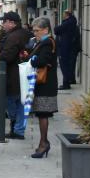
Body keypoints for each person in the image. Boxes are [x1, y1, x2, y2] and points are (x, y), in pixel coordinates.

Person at [0, 11, 32, 140]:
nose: (2, 24)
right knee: (19, 102)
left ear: (11, 23)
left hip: (12, 75)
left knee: (12, 101)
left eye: (4, 21)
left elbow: (6, 56)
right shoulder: (21, 33)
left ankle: (16, 129)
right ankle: (18, 129)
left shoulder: (13, 37)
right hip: (20, 74)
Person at [29, 17, 58, 158]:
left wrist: (33, 60)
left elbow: (42, 61)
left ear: (46, 29)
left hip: (45, 84)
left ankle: (43, 143)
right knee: (42, 114)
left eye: (37, 30)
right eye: (33, 30)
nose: (35, 33)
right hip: (44, 83)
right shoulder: (44, 41)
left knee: (43, 114)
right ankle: (43, 142)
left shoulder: (47, 43)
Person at [54, 10, 80, 90]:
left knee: (64, 66)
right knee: (70, 65)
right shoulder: (74, 24)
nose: (63, 16)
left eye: (63, 14)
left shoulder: (67, 23)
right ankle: (71, 80)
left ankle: (66, 84)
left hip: (65, 48)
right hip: (72, 48)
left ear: (67, 15)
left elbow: (56, 30)